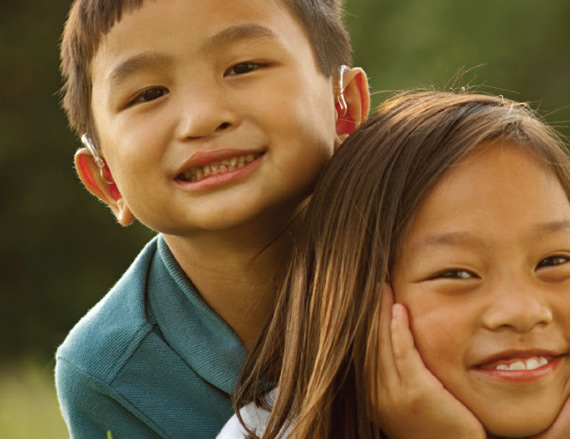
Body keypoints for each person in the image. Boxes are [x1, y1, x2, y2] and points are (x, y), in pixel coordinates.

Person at [222, 92, 570, 439]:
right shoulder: (274, 432)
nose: (522, 311)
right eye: (457, 274)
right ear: (354, 298)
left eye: (555, 260)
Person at [54, 0, 369, 438]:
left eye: (243, 67)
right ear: (108, 180)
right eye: (149, 94)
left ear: (344, 108)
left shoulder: (436, 262)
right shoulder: (109, 372)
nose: (202, 118)